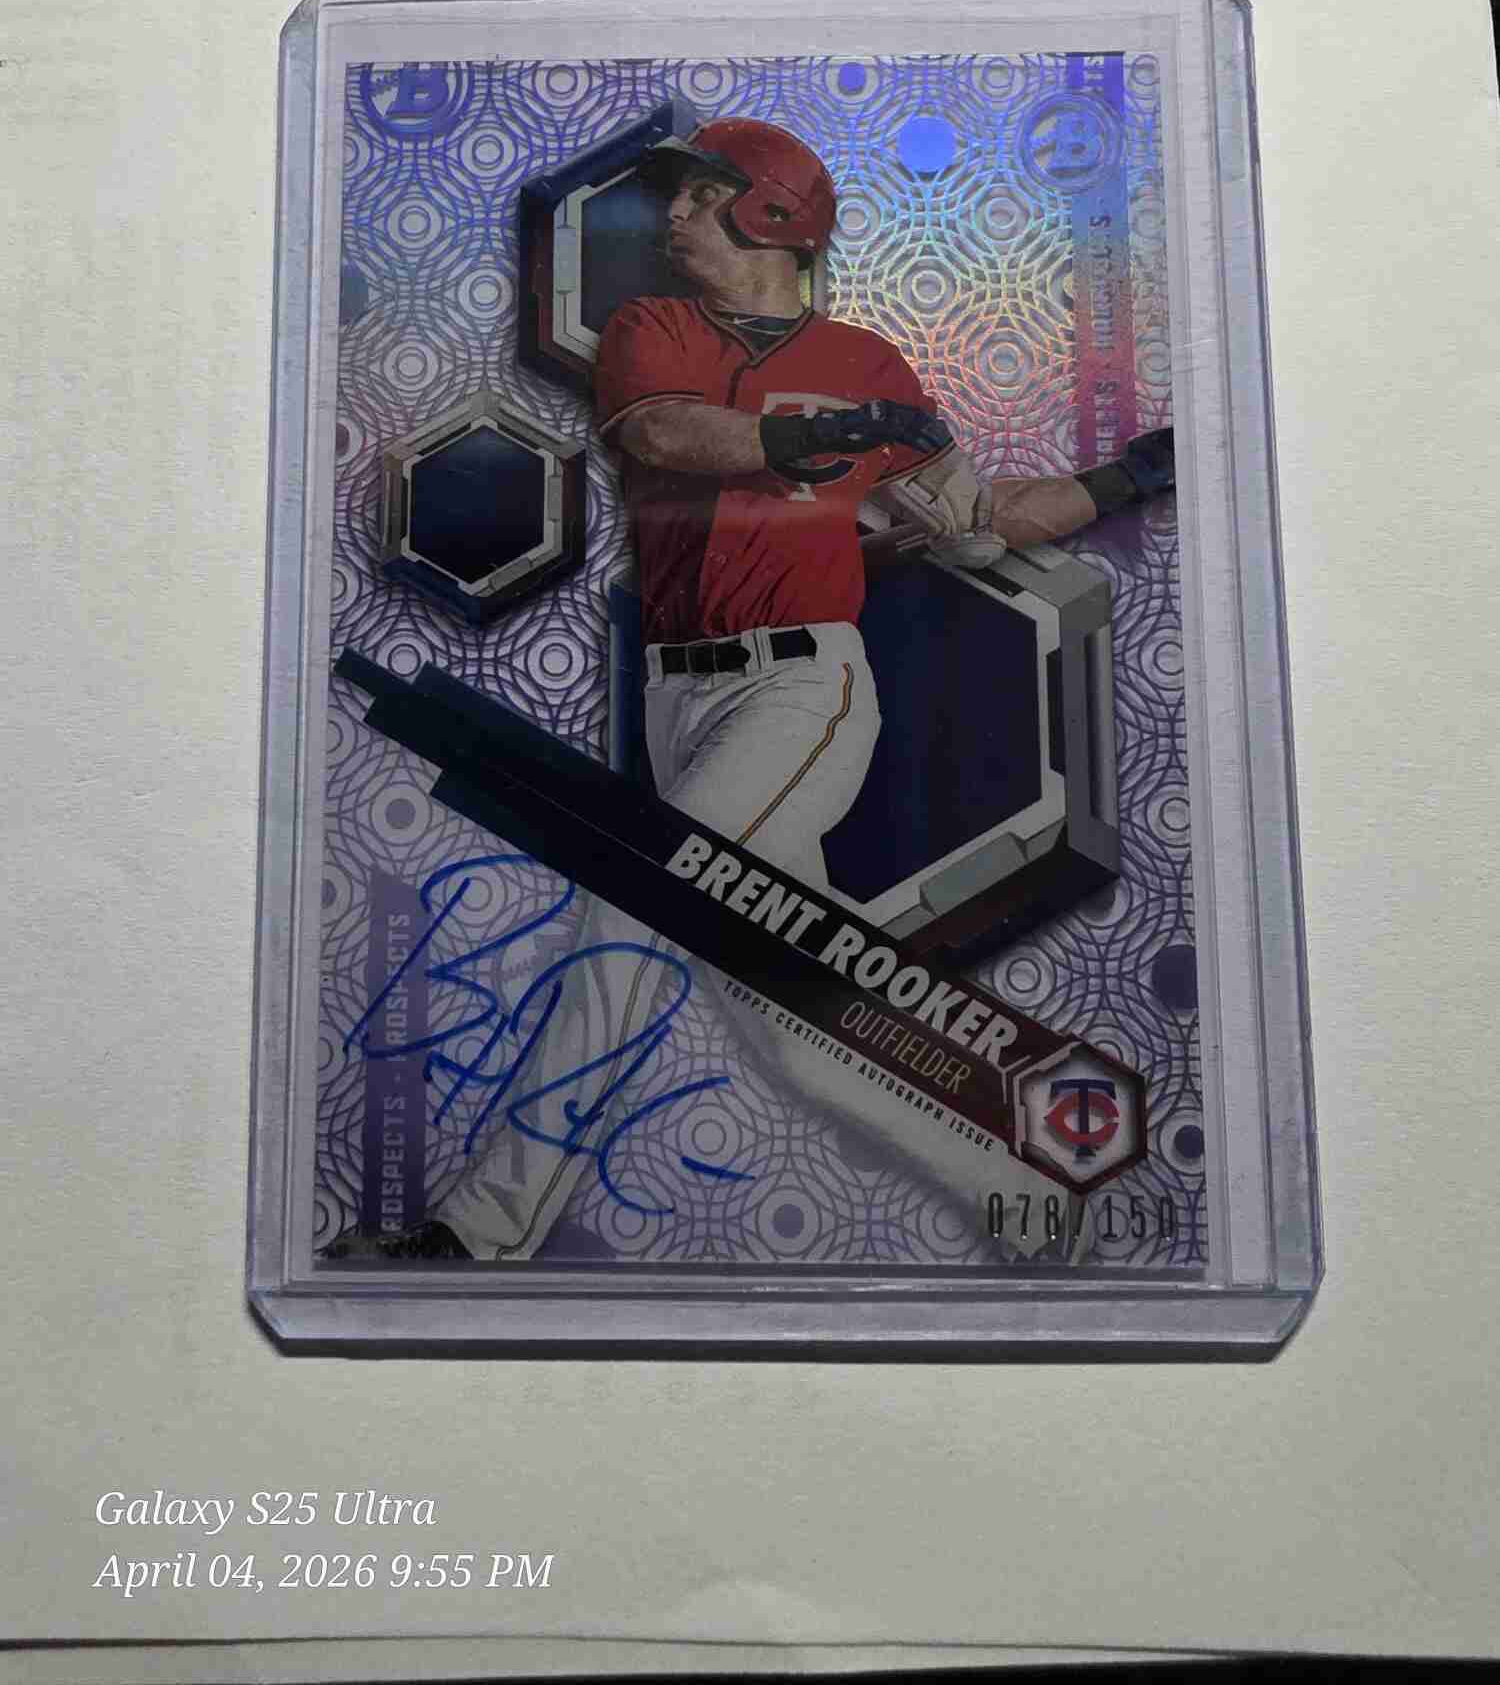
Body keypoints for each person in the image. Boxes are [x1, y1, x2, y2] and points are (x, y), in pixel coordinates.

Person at [326, 117, 1172, 1263]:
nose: (673, 212)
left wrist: (1130, 474)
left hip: (801, 692)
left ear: (771, 209)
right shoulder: (655, 328)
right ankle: (1037, 1198)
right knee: (798, 1020)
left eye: (699, 192)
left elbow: (980, 523)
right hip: (678, 703)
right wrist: (824, 432)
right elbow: (672, 432)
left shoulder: (867, 362)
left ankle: (477, 1234)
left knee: (638, 902)